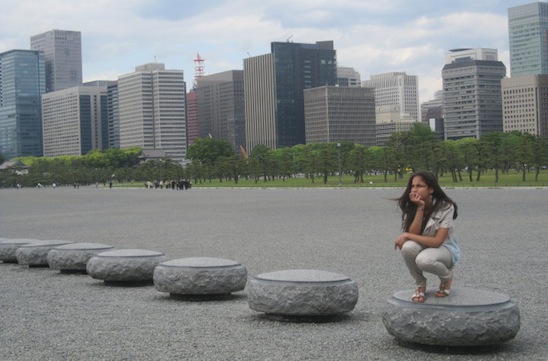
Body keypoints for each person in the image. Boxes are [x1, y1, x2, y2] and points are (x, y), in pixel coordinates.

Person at [393, 171, 460, 303]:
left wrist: (406, 234)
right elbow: (414, 235)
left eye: (420, 186)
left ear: (431, 189)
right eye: (413, 186)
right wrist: (420, 208)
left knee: (423, 260)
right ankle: (420, 284)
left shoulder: (446, 206)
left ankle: (447, 277)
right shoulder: (411, 205)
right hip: (422, 244)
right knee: (407, 247)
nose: (414, 189)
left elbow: (437, 242)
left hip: (444, 248)